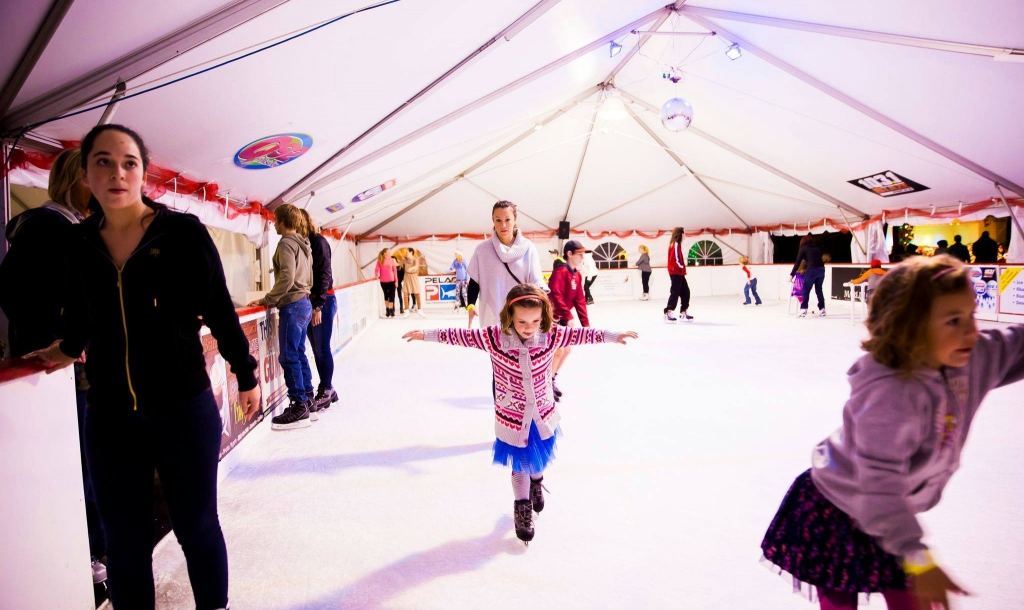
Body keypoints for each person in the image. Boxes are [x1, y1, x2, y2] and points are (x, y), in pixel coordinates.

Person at [28, 124, 261, 610]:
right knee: (124, 543)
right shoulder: (77, 244)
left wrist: (245, 372)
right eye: (104, 162)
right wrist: (67, 349)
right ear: (85, 174)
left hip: (182, 408)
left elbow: (218, 309)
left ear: (143, 172)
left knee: (196, 527)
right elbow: (81, 314)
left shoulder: (181, 233)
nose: (117, 173)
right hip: (110, 415)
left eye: (129, 162)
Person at [761, 255, 1024, 610]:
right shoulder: (890, 392)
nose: (971, 332)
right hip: (838, 506)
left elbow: (1014, 344)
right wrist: (918, 557)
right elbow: (879, 483)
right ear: (909, 326)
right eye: (953, 320)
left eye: (970, 315)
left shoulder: (970, 356)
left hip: (889, 509)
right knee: (844, 601)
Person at [402, 284, 637, 544]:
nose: (529, 326)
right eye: (522, 321)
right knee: (520, 463)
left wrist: (614, 335)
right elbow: (458, 336)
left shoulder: (552, 335)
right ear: (510, 316)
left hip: (542, 413)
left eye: (535, 320)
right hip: (512, 417)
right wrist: (426, 334)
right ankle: (522, 507)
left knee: (537, 461)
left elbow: (585, 335)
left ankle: (537, 483)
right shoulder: (493, 338)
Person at [0, 147, 109, 584]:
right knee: (79, 461)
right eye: (91, 177)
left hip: (75, 370)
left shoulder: (76, 227)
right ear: (70, 180)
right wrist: (58, 337)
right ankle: (86, 552)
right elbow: (16, 290)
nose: (99, 186)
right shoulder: (48, 225)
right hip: (59, 372)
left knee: (89, 458)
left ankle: (94, 547)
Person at [248, 204, 315, 430]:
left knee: (288, 356)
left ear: (284, 222)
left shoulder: (286, 243)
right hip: (304, 301)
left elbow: (286, 277)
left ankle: (298, 404)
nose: (274, 224)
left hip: (294, 304)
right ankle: (308, 398)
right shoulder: (304, 244)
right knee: (298, 353)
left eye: (276, 221)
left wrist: (268, 299)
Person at [466, 200, 545, 331]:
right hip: (493, 318)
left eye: (508, 219)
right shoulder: (483, 250)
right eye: (498, 220)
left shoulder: (528, 248)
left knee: (522, 351)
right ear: (493, 221)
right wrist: (470, 305)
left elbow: (537, 284)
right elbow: (474, 281)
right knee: (496, 350)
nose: (503, 225)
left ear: (515, 220)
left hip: (523, 319)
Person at [300, 210, 337, 412]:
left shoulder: (318, 242)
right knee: (316, 350)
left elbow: (325, 274)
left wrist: (318, 305)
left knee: (322, 349)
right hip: (312, 301)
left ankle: (327, 388)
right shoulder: (304, 243)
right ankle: (328, 385)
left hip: (322, 301)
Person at [547, 240, 590, 403]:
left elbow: (580, 300)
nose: (582, 257)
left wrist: (586, 327)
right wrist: (567, 315)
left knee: (566, 350)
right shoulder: (560, 272)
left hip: (562, 318)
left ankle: (550, 380)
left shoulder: (577, 275)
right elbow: (555, 293)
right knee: (558, 350)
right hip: (551, 318)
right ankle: (546, 384)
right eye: (579, 254)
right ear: (569, 254)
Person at [791, 235, 826, 318]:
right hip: (821, 270)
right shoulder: (817, 249)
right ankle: (822, 309)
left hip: (812, 270)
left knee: (806, 290)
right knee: (819, 290)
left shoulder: (804, 249)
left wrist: (791, 275)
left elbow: (797, 262)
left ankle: (803, 309)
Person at [664, 227, 692, 323]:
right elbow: (675, 259)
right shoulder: (675, 244)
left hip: (678, 272)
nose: (685, 235)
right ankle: (668, 312)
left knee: (685, 292)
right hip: (675, 272)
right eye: (684, 233)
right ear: (680, 234)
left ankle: (683, 312)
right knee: (675, 292)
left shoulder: (677, 244)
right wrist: (682, 267)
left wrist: (681, 269)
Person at [402, 248, 425, 318]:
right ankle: (406, 310)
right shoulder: (405, 260)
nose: (406, 253)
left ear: (411, 252)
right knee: (405, 294)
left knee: (417, 293)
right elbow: (397, 263)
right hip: (406, 277)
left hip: (414, 277)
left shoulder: (415, 260)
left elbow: (416, 266)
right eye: (406, 252)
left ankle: (419, 309)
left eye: (407, 252)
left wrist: (411, 268)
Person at [375, 248, 398, 318]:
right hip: (383, 281)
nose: (390, 253)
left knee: (391, 296)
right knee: (386, 295)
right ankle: (387, 309)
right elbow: (376, 269)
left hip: (391, 280)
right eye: (388, 252)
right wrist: (377, 275)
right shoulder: (380, 261)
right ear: (384, 253)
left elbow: (394, 271)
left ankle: (391, 310)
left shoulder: (392, 260)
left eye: (390, 252)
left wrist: (396, 281)